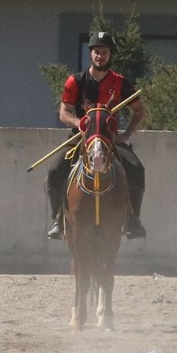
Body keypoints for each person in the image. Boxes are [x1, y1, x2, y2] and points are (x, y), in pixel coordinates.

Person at [45, 31, 147, 241]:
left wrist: (126, 134)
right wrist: (78, 123)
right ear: (90, 54)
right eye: (96, 52)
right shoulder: (75, 81)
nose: (100, 56)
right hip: (80, 139)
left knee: (136, 169)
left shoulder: (120, 82)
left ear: (110, 55)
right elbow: (64, 112)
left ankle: (133, 220)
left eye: (105, 52)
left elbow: (139, 110)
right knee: (55, 171)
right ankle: (58, 219)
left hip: (110, 140)